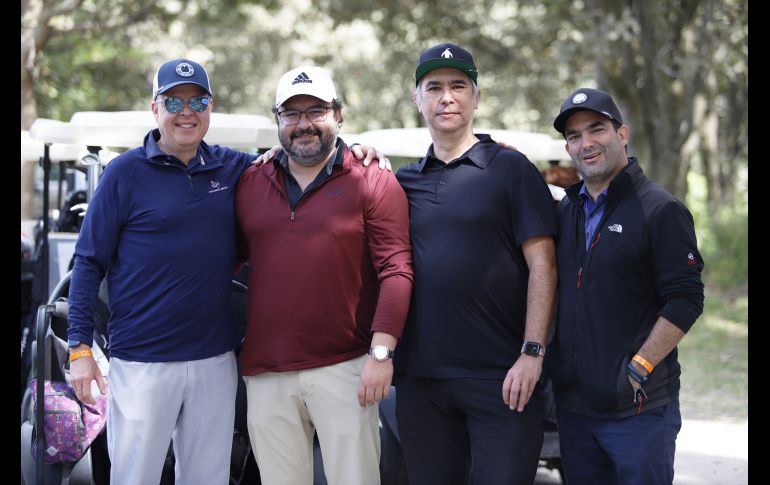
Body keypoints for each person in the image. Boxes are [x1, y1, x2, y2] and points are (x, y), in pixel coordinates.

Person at [65, 58, 390, 485]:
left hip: (214, 360)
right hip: (142, 360)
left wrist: (358, 147)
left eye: (197, 100)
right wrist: (80, 348)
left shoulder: (234, 168)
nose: (186, 111)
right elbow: (88, 262)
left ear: (210, 107)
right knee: (134, 477)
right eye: (174, 101)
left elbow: (302, 147)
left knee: (208, 477)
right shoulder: (124, 173)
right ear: (155, 108)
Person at [235, 65, 413, 485]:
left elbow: (397, 269)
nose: (304, 125)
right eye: (291, 114)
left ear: (339, 115)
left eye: (316, 111)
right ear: (277, 120)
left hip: (347, 367)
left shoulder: (373, 178)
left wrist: (382, 353)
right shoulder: (248, 181)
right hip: (266, 373)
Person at [393, 43, 558, 485]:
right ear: (418, 99)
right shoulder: (399, 182)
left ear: (476, 97)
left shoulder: (511, 170)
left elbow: (544, 266)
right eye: (434, 88)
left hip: (502, 379)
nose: (446, 97)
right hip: (421, 381)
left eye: (458, 86)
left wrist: (532, 353)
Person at [547, 87, 705, 485]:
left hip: (638, 412)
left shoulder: (661, 210)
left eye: (596, 129)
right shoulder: (566, 210)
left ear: (622, 134)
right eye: (574, 136)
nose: (586, 143)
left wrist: (640, 366)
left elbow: (686, 299)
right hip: (576, 412)